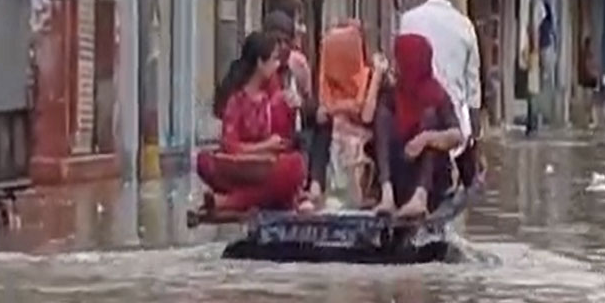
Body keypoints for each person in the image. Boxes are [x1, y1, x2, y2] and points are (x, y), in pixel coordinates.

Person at [195, 32, 307, 217]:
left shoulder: (273, 97)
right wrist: (263, 147)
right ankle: (265, 197)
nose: (277, 65)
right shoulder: (236, 100)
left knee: (295, 165)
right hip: (242, 166)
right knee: (204, 161)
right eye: (273, 60)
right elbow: (229, 145)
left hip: (267, 167)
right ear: (260, 63)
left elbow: (284, 141)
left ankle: (228, 201)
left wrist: (292, 109)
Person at [399, 0, 483, 188]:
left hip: (412, 132)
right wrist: (474, 146)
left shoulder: (408, 20)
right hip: (454, 136)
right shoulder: (465, 27)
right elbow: (473, 95)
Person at [374, 33, 465, 218]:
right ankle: (387, 194)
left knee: (430, 119)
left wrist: (425, 139)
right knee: (382, 116)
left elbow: (457, 135)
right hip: (400, 170)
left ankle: (420, 197)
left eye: (398, 60)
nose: (394, 65)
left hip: (431, 178)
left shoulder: (437, 95)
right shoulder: (392, 93)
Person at [307, 22, 386, 207]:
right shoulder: (327, 80)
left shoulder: (370, 76)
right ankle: (316, 186)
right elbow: (323, 111)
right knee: (322, 130)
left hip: (365, 140)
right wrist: (338, 110)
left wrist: (377, 78)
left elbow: (366, 115)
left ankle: (371, 192)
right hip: (335, 139)